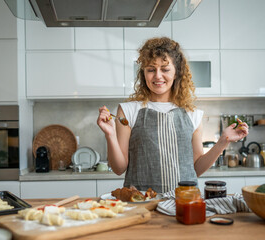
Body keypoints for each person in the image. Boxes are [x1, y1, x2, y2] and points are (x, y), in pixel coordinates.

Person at [97, 37, 249, 193]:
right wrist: (110, 135)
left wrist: (223, 141)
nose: (157, 75)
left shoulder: (193, 114)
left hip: (183, 203)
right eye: (151, 69)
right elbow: (118, 168)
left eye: (165, 69)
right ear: (143, 73)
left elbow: (195, 169)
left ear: (176, 72)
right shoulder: (128, 111)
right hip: (140, 203)